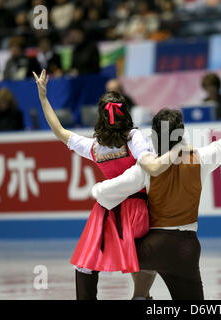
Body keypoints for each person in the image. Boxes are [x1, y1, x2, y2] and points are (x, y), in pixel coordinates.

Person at [92, 78, 221, 299]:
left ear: (155, 135)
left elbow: (103, 193)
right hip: (185, 250)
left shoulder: (146, 167)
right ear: (181, 133)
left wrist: (101, 189)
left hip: (151, 249)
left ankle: (141, 295)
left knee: (134, 240)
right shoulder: (201, 158)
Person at [33, 69, 185, 300]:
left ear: (100, 117)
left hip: (106, 212)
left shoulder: (94, 147)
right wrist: (175, 151)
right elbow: (151, 166)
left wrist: (43, 97)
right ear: (125, 114)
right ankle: (141, 297)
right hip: (138, 211)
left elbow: (60, 131)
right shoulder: (134, 138)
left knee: (86, 262)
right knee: (141, 256)